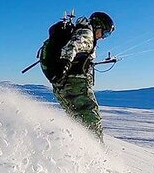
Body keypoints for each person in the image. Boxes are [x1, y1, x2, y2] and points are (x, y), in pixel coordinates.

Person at [44, 11, 115, 142]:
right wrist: (64, 64)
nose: (103, 37)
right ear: (97, 25)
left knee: (78, 121)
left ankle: (76, 150)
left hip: (62, 86)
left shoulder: (81, 31)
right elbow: (73, 46)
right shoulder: (87, 33)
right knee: (92, 119)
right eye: (105, 33)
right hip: (76, 85)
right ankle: (96, 153)